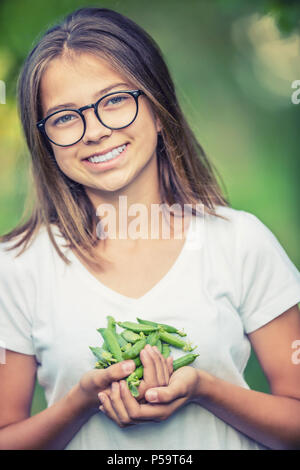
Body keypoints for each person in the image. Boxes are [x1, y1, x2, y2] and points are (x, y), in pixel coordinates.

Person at [0, 7, 300, 451]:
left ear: (158, 110)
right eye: (64, 117)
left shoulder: (240, 242)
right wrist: (81, 402)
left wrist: (205, 389)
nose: (95, 131)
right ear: (45, 142)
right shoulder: (18, 266)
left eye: (115, 100)